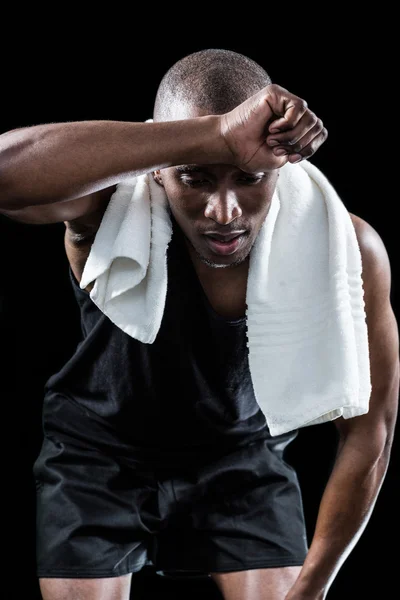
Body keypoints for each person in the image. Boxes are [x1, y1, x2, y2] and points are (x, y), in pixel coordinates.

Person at [0, 48, 398, 600]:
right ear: (159, 172)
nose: (224, 210)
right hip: (98, 454)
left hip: (239, 457)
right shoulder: (109, 207)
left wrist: (310, 590)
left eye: (249, 177)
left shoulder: (345, 245)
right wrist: (213, 133)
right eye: (195, 177)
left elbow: (369, 431)